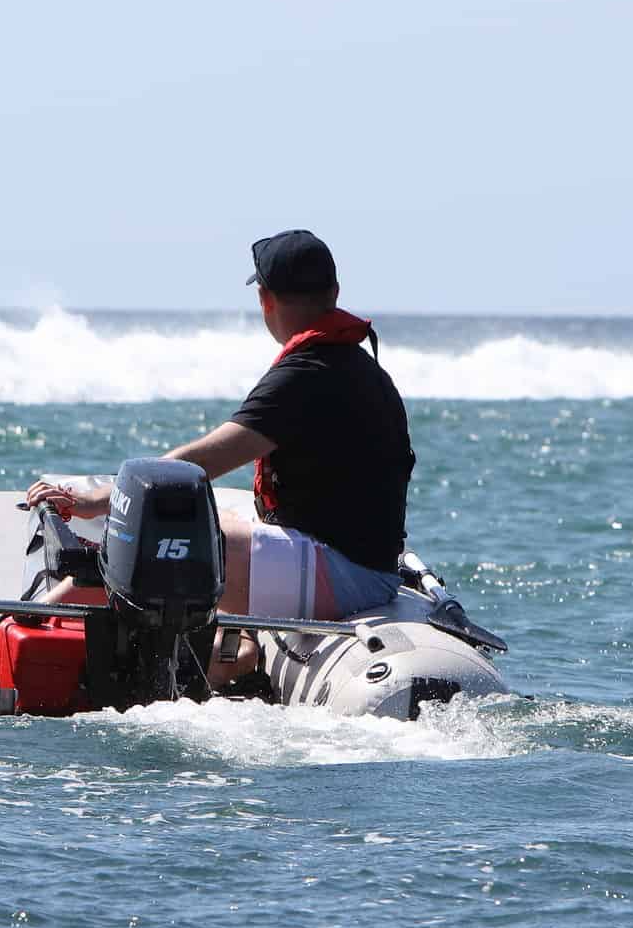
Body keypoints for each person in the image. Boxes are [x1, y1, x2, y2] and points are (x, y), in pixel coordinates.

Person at [26, 229, 415, 687]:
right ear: (334, 293)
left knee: (167, 538)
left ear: (265, 299)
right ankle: (237, 645)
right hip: (361, 566)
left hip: (349, 576)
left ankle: (34, 623)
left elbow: (197, 465)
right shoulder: (353, 363)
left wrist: (101, 500)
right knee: (214, 523)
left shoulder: (308, 372)